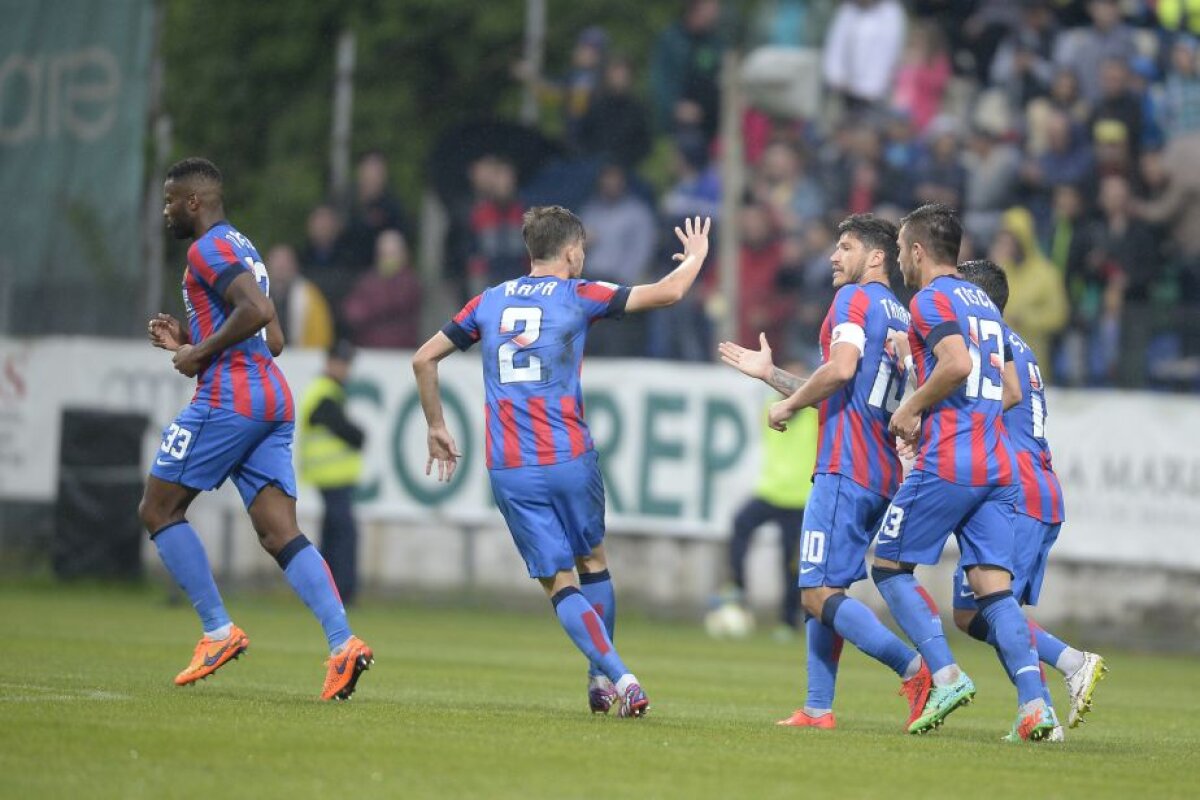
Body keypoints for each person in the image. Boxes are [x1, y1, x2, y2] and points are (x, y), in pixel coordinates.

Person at [411, 207, 713, 718]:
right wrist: (698, 257)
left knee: (559, 583)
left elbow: (423, 358)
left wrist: (437, 426)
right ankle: (603, 678)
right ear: (572, 251)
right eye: (584, 251)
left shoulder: (488, 301)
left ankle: (617, 676)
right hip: (569, 455)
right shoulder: (579, 294)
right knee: (593, 561)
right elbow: (668, 292)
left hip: (510, 465)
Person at [140, 157, 373, 701]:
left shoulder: (208, 248)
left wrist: (198, 350)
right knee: (278, 531)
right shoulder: (244, 246)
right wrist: (190, 343)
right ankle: (343, 645)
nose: (167, 210)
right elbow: (272, 339)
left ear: (194, 202)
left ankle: (217, 630)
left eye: (172, 200)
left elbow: (259, 308)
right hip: (270, 394)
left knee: (158, 509)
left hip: (231, 399)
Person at [719, 214, 928, 731]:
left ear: (876, 257)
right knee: (826, 592)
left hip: (845, 466)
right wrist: (772, 375)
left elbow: (839, 371)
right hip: (879, 470)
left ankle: (918, 669)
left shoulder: (853, 301)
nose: (834, 256)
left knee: (814, 592)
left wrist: (786, 406)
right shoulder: (902, 316)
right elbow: (848, 392)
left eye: (845, 246)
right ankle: (817, 707)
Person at [871, 203, 1059, 741]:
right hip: (999, 466)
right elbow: (1013, 389)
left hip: (951, 460)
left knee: (888, 566)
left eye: (904, 250)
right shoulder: (986, 304)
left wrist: (912, 409)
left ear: (916, 251)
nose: (903, 262)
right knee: (993, 592)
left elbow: (955, 364)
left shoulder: (930, 299)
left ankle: (946, 675)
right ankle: (1035, 708)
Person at [953, 259, 1107, 738]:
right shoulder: (1017, 342)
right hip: (1034, 487)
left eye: (956, 289)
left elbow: (1005, 398)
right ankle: (1039, 711)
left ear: (973, 298)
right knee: (975, 613)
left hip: (1014, 490)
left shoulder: (984, 340)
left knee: (992, 606)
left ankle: (1068, 669)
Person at [722, 361, 818, 636]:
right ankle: (737, 586)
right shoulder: (771, 409)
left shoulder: (813, 414)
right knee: (740, 524)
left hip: (799, 498)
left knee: (790, 563)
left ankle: (787, 621)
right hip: (770, 491)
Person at [298, 340, 366, 605]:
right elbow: (343, 428)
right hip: (331, 476)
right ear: (330, 362)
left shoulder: (325, 390)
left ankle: (325, 591)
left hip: (331, 477)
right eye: (342, 363)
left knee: (332, 534)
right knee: (343, 534)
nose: (346, 369)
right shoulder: (325, 392)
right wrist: (359, 436)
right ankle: (343, 591)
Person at [341, 229, 423, 349]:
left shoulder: (410, 282)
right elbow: (351, 312)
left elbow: (393, 302)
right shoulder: (367, 280)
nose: (387, 259)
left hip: (399, 352)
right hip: (368, 349)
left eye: (392, 254)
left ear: (404, 255)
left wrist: (367, 308)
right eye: (384, 254)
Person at [265, 243, 334, 350]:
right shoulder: (257, 294)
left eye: (285, 263)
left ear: (295, 266)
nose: (280, 268)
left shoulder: (309, 296)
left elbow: (321, 338)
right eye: (277, 263)